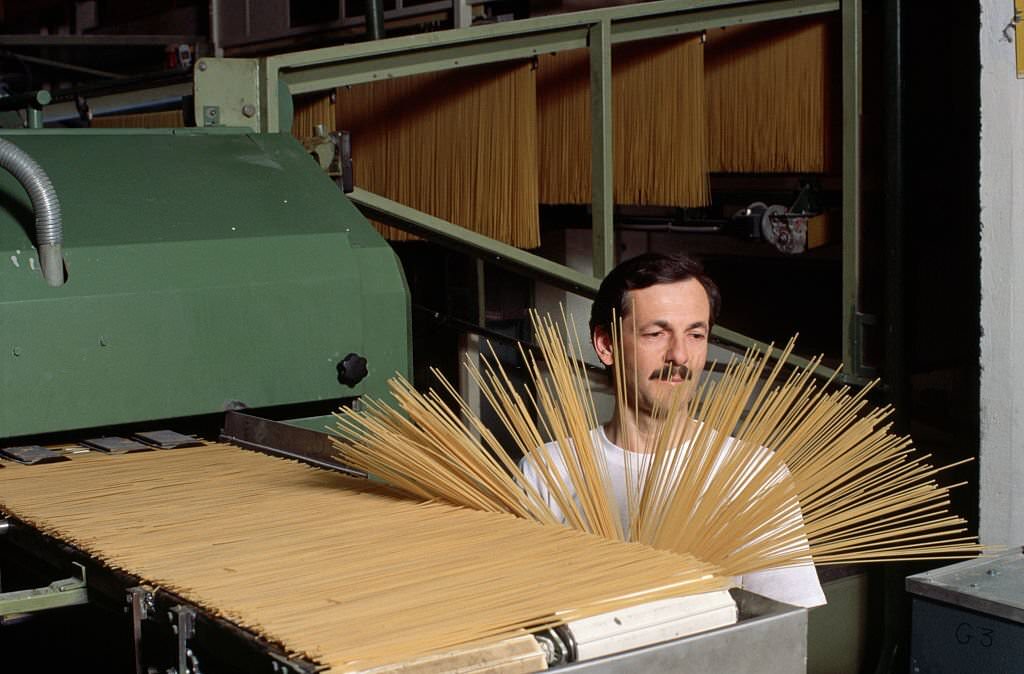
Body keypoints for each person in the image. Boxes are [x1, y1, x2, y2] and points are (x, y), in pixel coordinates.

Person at [519, 252, 826, 608]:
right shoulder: (547, 470)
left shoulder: (752, 474)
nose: (679, 355)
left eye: (695, 334)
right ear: (606, 345)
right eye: (656, 333)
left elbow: (786, 628)